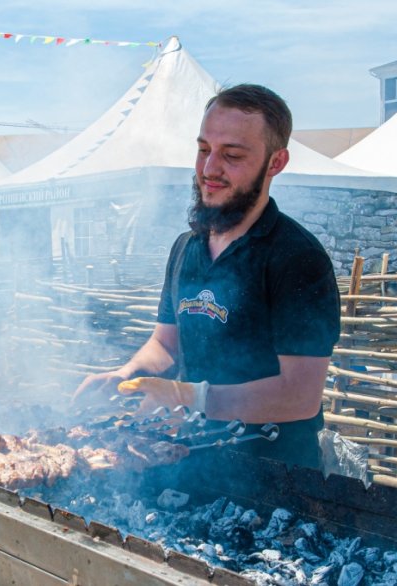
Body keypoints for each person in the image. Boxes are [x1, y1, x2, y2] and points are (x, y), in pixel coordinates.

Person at [74, 84, 341, 469]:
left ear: (275, 162)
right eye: (203, 150)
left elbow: (299, 395)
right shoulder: (186, 247)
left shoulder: (297, 258)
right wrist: (128, 373)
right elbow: (166, 344)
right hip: (191, 465)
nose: (209, 169)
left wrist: (190, 397)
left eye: (231, 155)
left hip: (276, 481)